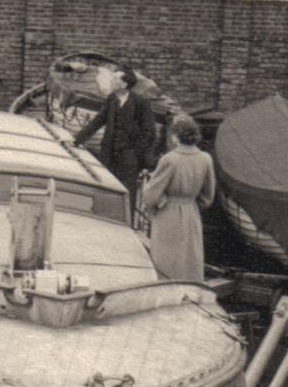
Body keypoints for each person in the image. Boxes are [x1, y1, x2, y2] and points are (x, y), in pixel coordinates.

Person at [73, 64, 156, 214]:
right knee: (107, 187)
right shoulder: (112, 99)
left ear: (124, 84)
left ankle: (125, 224)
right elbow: (98, 121)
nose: (110, 81)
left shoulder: (141, 103)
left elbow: (149, 132)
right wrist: (76, 140)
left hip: (129, 158)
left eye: (114, 79)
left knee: (126, 192)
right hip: (109, 154)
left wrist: (136, 153)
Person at [141, 117, 215, 283]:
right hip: (191, 212)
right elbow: (208, 195)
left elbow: (151, 195)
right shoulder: (205, 158)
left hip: (169, 213)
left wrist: (158, 204)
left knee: (166, 259)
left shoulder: (169, 159)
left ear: (175, 136)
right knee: (190, 258)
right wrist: (192, 204)